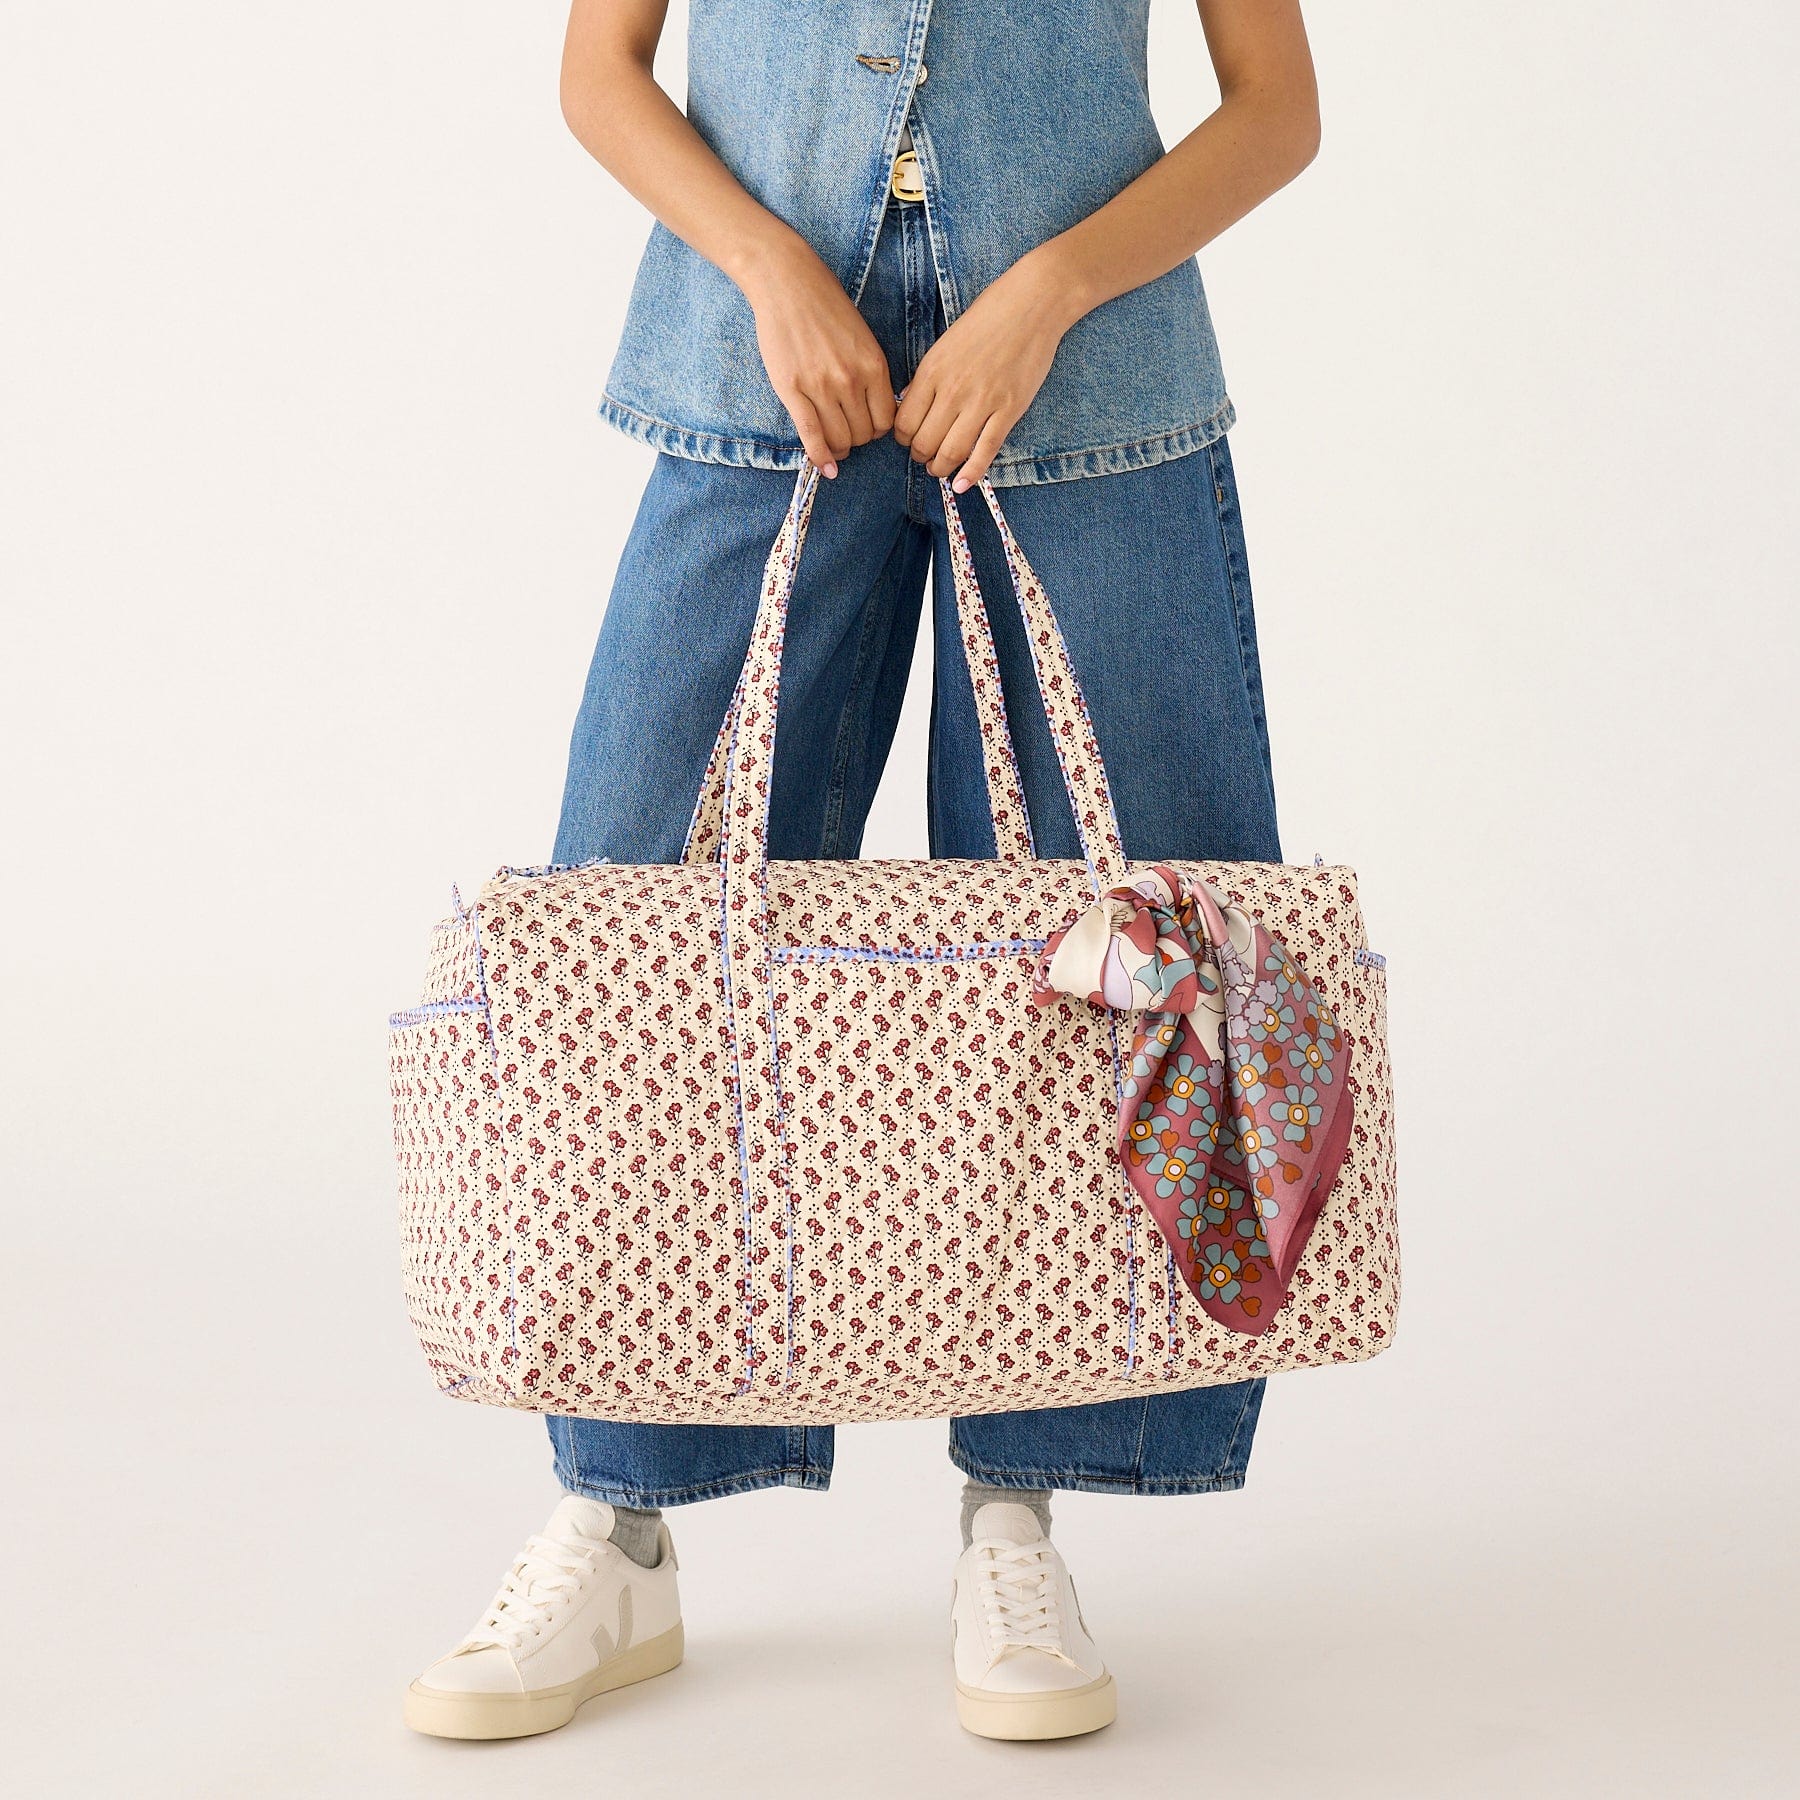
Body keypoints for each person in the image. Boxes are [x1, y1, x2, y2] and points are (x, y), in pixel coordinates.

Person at [406, 0, 1320, 1745]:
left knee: (1115, 967)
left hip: (1095, 403)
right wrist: (766, 265)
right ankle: (620, 1520)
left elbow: (1275, 110)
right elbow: (601, 70)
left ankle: (1019, 1515)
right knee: (645, 943)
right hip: (755, 383)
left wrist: (1045, 291)